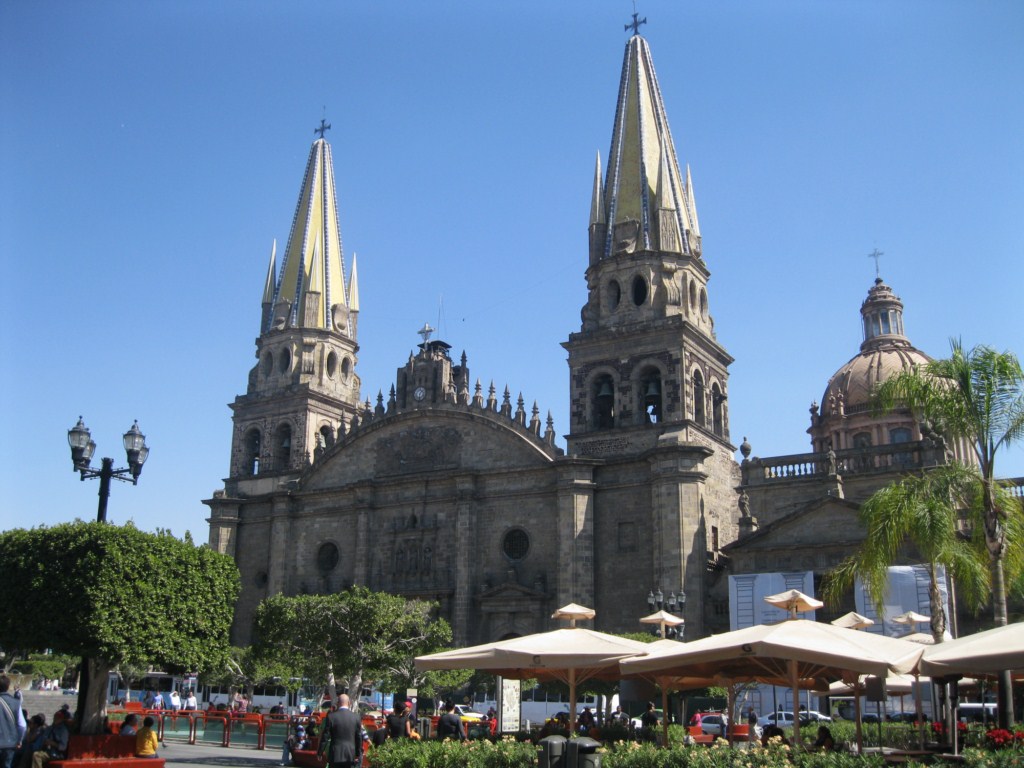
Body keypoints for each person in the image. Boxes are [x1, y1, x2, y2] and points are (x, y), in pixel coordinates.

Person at [318, 695, 362, 768]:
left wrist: (320, 752)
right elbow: (358, 737)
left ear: (338, 703)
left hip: (335, 753)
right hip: (350, 754)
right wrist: (358, 754)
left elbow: (325, 736)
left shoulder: (331, 717)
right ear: (349, 703)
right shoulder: (356, 717)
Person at [0, 676, 26, 768]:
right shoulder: (16, 703)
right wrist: (19, 740)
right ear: (8, 686)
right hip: (10, 743)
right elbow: (22, 725)